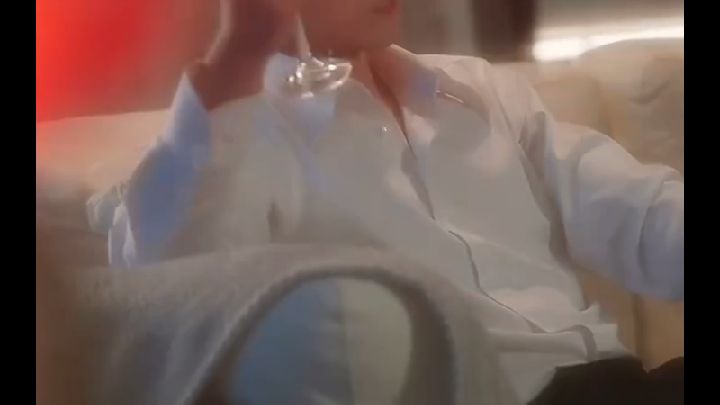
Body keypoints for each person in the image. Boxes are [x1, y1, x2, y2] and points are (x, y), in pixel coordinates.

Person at [90, 0, 684, 403]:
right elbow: (171, 291)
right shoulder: (240, 138)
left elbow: (640, 213)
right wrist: (239, 59)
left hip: (625, 382)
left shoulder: (476, 87)